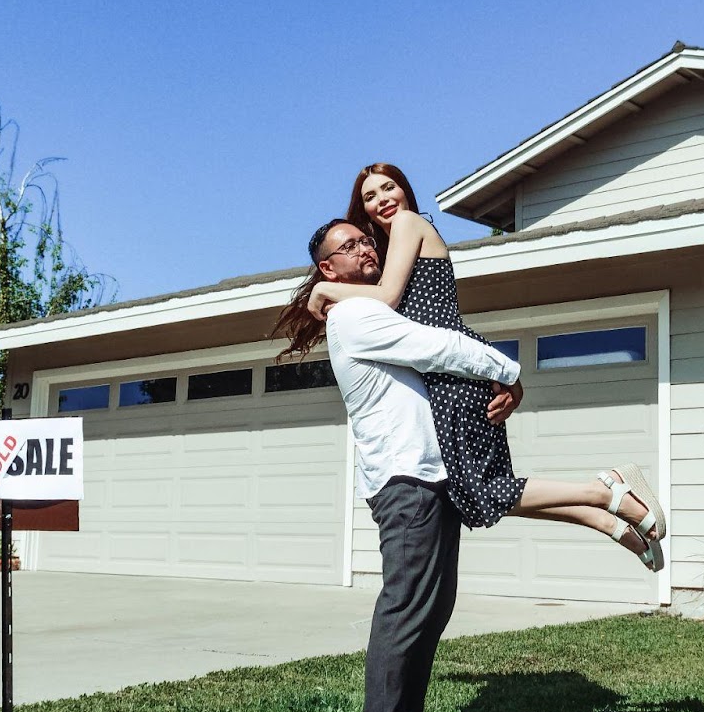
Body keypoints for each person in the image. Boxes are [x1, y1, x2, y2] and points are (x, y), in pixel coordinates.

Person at [279, 163, 666, 570]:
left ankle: (606, 492)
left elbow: (389, 295)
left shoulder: (409, 224)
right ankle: (603, 518)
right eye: (370, 197)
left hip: (453, 368)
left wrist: (323, 287)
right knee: (476, 494)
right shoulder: (392, 247)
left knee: (484, 490)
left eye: (388, 187)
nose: (382, 200)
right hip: (446, 374)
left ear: (406, 191)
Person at [283, 218, 524, 712]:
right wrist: (508, 370)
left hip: (431, 474)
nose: (365, 248)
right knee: (405, 608)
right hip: (404, 481)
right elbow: (435, 346)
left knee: (433, 608)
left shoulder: (373, 306)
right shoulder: (354, 314)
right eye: (349, 246)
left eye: (366, 241)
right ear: (328, 268)